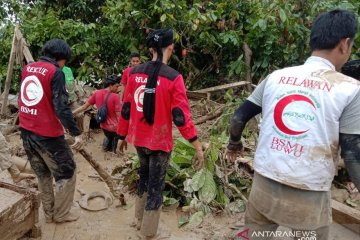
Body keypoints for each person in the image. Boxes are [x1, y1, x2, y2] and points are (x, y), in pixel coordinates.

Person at [226, 9, 359, 240]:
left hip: (264, 183)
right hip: (309, 194)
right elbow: (352, 155)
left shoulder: (276, 77)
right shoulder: (350, 90)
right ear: (344, 44)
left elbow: (238, 118)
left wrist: (234, 144)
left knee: (254, 235)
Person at [117, 29, 204, 238]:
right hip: (159, 142)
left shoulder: (134, 72)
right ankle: (148, 232)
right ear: (171, 48)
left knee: (144, 176)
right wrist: (197, 146)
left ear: (149, 49)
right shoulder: (174, 77)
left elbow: (126, 107)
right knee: (156, 185)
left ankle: (138, 220)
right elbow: (180, 117)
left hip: (138, 139)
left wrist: (121, 136)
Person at [19, 39, 83, 223]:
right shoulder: (55, 72)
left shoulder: (28, 68)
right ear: (60, 58)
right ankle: (61, 214)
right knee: (67, 172)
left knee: (43, 174)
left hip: (26, 131)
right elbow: (61, 107)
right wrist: (76, 132)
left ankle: (48, 214)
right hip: (48, 135)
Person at [73, 75, 121, 153]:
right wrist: (123, 130)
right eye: (116, 86)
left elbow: (84, 107)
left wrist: (71, 113)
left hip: (103, 125)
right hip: (114, 127)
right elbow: (118, 115)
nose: (117, 88)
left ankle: (104, 151)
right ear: (110, 85)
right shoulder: (115, 97)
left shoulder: (97, 93)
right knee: (114, 148)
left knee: (108, 137)